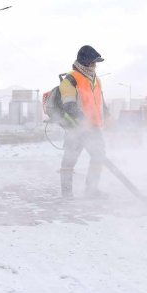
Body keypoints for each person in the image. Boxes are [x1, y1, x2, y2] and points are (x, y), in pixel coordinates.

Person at [59, 45, 109, 199]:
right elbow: (69, 105)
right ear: (86, 62)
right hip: (76, 128)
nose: (95, 65)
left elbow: (100, 102)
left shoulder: (96, 79)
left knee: (98, 157)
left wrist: (108, 116)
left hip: (94, 128)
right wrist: (82, 124)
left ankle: (91, 190)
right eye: (93, 62)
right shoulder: (71, 79)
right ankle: (67, 194)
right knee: (69, 162)